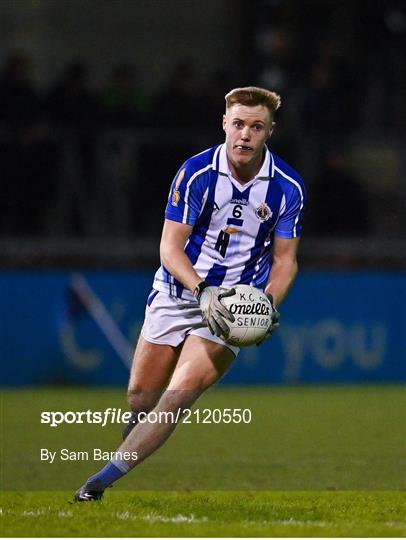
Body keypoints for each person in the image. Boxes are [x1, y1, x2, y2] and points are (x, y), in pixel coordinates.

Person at [74, 86, 306, 501]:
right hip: (178, 292)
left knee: (176, 398)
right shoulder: (197, 173)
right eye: (238, 124)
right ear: (224, 124)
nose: (245, 135)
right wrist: (201, 292)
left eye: (256, 126)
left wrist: (268, 303)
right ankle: (127, 453)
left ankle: (97, 484)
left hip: (232, 309)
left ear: (270, 131)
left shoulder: (287, 186)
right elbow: (169, 247)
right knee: (140, 396)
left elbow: (285, 260)